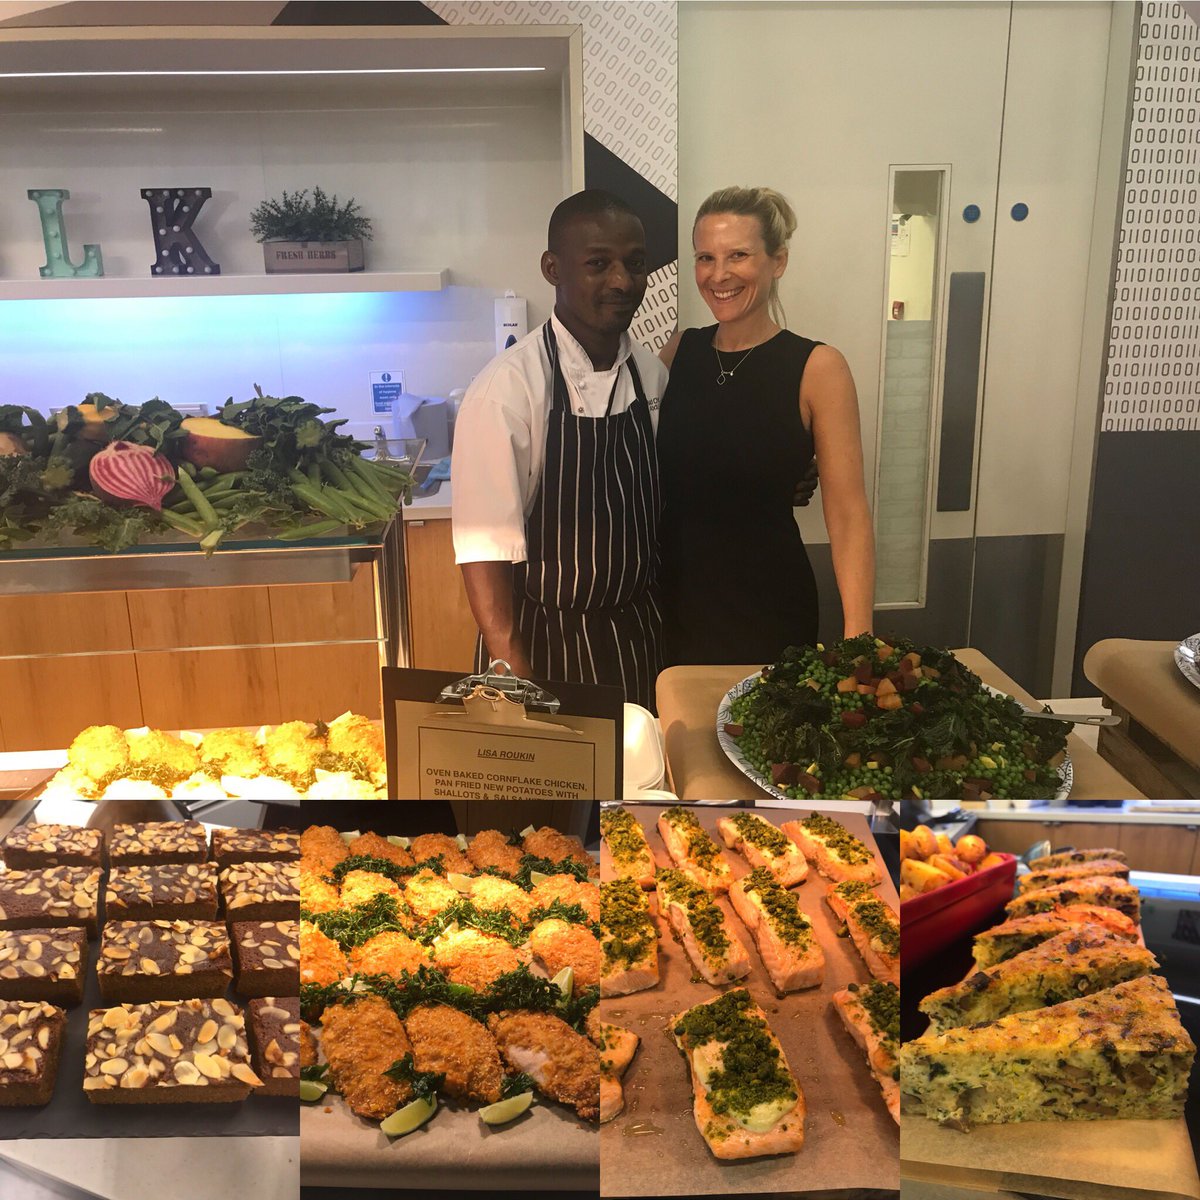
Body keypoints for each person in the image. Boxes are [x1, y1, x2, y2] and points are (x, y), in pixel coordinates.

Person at [451, 190, 668, 709]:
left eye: (634, 264)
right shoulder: (507, 388)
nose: (622, 281)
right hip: (542, 644)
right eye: (598, 263)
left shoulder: (651, 372)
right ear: (553, 268)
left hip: (640, 635)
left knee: (638, 786)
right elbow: (485, 547)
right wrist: (512, 667)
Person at [656, 186, 875, 666]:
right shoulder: (678, 353)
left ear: (778, 261)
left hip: (766, 604)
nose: (719, 275)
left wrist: (861, 637)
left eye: (739, 255)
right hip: (671, 601)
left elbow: (848, 512)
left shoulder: (818, 367)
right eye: (705, 257)